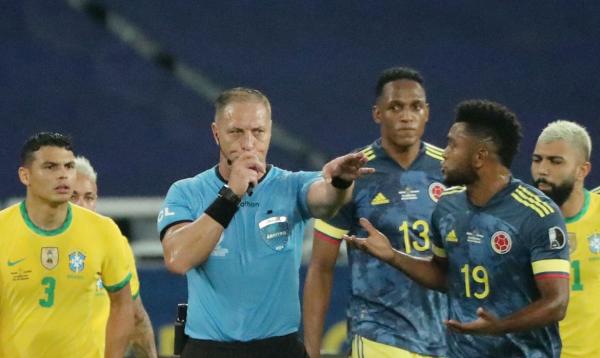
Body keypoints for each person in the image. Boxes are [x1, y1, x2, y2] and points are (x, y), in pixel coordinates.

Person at [156, 87, 374, 358]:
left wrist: (342, 181)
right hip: (209, 349)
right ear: (216, 133)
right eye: (236, 132)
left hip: (278, 348)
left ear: (270, 132)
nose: (248, 143)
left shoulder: (293, 185)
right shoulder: (186, 191)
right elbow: (178, 259)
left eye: (258, 132)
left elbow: (327, 200)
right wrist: (231, 194)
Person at [345, 100, 570, 357]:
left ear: (479, 157)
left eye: (453, 144)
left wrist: (499, 327)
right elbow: (444, 276)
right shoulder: (447, 207)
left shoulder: (537, 214)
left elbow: (556, 303)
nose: (444, 152)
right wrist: (392, 255)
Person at [303, 67, 447, 358]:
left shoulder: (451, 171)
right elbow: (321, 267)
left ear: (427, 112)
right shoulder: (352, 173)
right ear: (377, 114)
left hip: (446, 338)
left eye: (415, 107)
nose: (407, 116)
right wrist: (311, 351)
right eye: (395, 107)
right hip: (378, 336)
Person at [0, 132, 133, 357]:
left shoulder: (103, 230)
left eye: (69, 166)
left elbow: (123, 305)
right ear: (25, 175)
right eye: (50, 167)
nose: (63, 175)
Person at [71, 155, 158, 358]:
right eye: (73, 197)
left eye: (89, 197)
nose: (82, 205)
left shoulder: (114, 244)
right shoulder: (40, 245)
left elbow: (136, 317)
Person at [531, 120, 600, 357]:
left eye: (555, 161)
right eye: (537, 159)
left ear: (583, 170)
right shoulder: (519, 223)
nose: (542, 170)